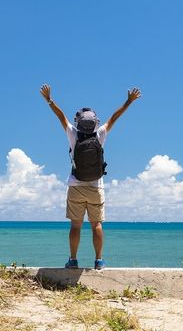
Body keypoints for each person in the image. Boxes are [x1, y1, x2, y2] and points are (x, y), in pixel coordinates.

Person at [40, 84, 141, 270]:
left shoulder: (73, 134)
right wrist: (128, 101)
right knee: (96, 225)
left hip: (76, 186)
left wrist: (49, 99)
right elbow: (115, 117)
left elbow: (60, 116)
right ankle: (99, 261)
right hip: (96, 187)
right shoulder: (100, 134)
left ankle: (73, 260)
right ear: (95, 122)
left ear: (78, 122)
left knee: (76, 226)